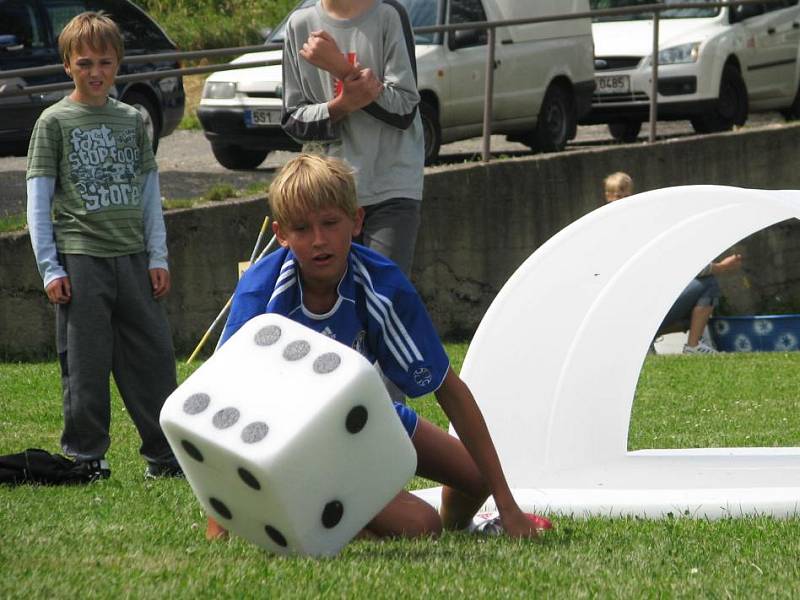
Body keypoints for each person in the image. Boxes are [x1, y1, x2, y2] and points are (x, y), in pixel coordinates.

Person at [205, 154, 551, 541]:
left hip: (365, 419)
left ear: (356, 221)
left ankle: (466, 526)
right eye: (302, 229)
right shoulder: (261, 292)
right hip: (291, 441)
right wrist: (223, 519)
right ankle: (317, 523)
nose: (318, 240)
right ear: (281, 234)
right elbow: (223, 401)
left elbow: (449, 388)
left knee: (476, 477)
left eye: (330, 223)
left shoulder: (381, 284)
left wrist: (508, 506)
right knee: (421, 528)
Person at [25, 12, 181, 480]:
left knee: (153, 356)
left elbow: (149, 193)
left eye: (106, 62)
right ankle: (86, 454)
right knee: (85, 362)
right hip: (81, 260)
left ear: (119, 64)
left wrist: (158, 256)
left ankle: (165, 453)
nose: (96, 72)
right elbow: (37, 202)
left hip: (133, 258)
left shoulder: (132, 120)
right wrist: (50, 268)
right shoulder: (53, 122)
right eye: (85, 62)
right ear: (68, 65)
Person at [281, 0, 424, 278]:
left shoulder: (389, 15)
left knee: (383, 293)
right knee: (337, 299)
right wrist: (342, 105)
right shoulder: (299, 22)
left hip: (391, 184)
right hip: (330, 191)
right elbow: (293, 120)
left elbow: (405, 108)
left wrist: (343, 70)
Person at [603, 171, 743, 354]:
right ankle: (692, 346)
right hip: (640, 312)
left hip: (628, 310)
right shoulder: (640, 230)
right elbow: (689, 268)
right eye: (618, 197)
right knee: (708, 283)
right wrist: (723, 267)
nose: (622, 202)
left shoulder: (606, 229)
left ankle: (683, 345)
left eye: (625, 197)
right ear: (608, 197)